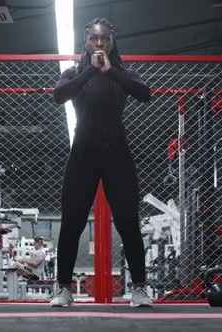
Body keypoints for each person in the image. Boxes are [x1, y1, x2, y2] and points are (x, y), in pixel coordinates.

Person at [50, 17, 153, 307]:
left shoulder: (123, 73)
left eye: (104, 38)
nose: (99, 43)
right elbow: (59, 96)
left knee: (128, 221)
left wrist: (110, 71)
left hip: (116, 154)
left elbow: (145, 94)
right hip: (82, 153)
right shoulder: (73, 72)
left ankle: (140, 289)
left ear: (112, 40)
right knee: (72, 221)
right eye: (94, 39)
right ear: (86, 41)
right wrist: (91, 71)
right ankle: (63, 289)